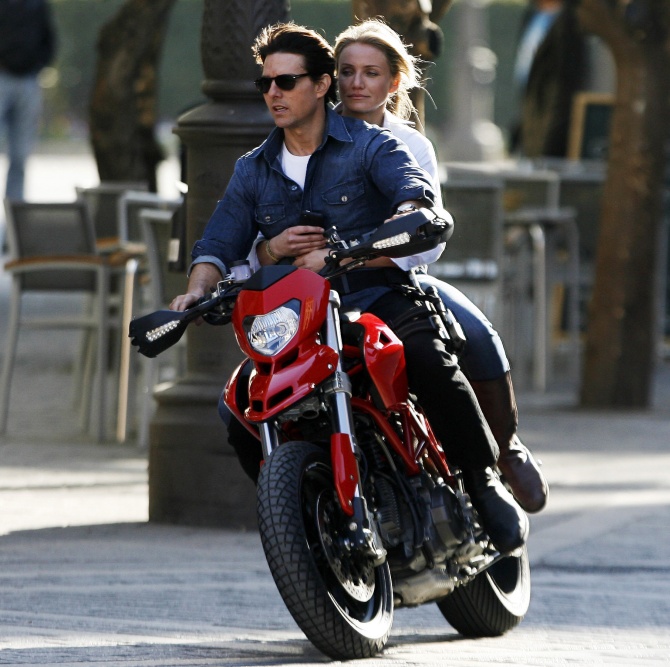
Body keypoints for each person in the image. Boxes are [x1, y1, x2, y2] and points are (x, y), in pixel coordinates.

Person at [171, 22, 527, 554]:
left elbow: (417, 203)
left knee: (429, 357)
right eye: (265, 84)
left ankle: (484, 480)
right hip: (295, 314)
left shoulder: (374, 145)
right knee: (236, 408)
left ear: (319, 86)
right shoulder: (253, 168)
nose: (273, 93)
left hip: (377, 291)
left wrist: (368, 240)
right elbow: (217, 242)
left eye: (286, 82)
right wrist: (197, 291)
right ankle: (298, 522)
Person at [333, 19, 548, 514]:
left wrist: (369, 252)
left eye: (370, 72)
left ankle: (504, 448)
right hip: (319, 285)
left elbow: (424, 243)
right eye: (347, 71)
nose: (357, 83)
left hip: (394, 276)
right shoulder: (309, 137)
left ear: (395, 81)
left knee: (474, 332)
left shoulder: (412, 146)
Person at [510, 0, 586, 157]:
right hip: (531, 124)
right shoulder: (531, 15)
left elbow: (564, 88)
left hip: (552, 137)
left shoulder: (572, 21)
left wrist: (549, 144)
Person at [0, 0, 56, 200]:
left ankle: (14, 222)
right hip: (2, 77)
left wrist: (38, 64)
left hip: (29, 80)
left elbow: (49, 39)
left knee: (20, 155)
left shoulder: (37, 4)